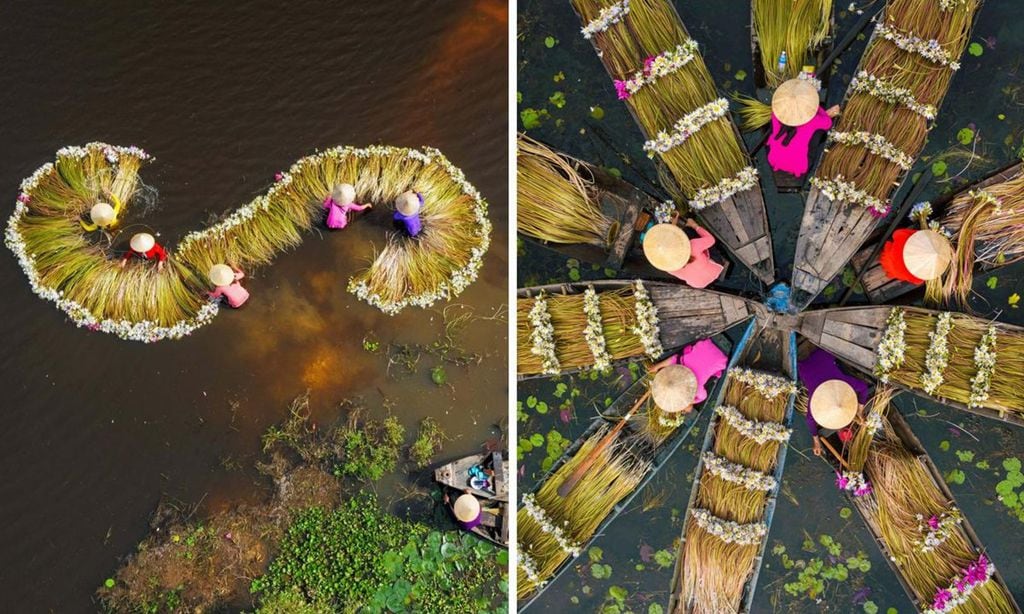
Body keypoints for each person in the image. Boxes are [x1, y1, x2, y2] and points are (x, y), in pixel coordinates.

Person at [798, 348, 870, 456]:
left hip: (823, 352)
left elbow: (864, 388)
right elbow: (809, 420)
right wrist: (816, 441)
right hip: (804, 364)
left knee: (836, 365)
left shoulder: (843, 383)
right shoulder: (815, 396)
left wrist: (860, 410)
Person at [766, 78, 840, 178]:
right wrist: (817, 109)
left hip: (774, 159)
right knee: (819, 133)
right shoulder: (814, 121)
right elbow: (828, 123)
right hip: (799, 166)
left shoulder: (776, 114)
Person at [648, 338, 728, 411]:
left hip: (722, 356)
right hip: (707, 343)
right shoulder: (678, 364)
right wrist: (657, 366)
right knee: (686, 353)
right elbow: (672, 359)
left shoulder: (696, 389)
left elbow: (704, 396)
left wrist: (689, 402)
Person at [642, 219, 724, 289]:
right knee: (689, 232)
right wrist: (695, 225)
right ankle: (688, 228)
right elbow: (711, 240)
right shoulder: (692, 246)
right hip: (715, 268)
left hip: (699, 284)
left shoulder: (667, 266)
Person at [879, 228, 953, 285]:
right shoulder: (919, 277)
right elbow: (917, 281)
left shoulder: (912, 240)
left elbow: (897, 233)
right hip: (893, 270)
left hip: (887, 255)